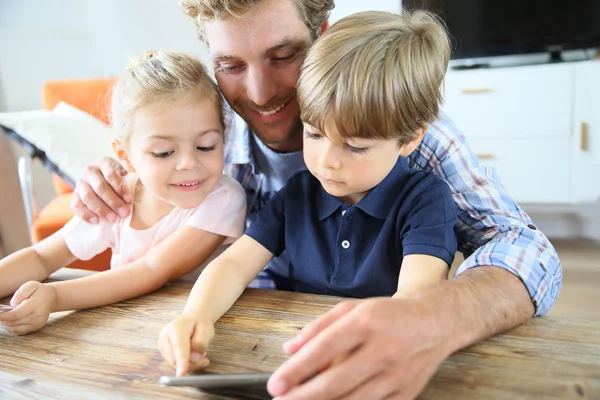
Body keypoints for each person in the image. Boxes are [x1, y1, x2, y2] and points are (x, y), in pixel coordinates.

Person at [70, 1, 563, 399]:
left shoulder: (401, 127)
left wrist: (427, 318)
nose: (260, 93)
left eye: (282, 56)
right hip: (255, 345)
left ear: (321, 34)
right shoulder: (203, 136)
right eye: (231, 66)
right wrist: (125, 177)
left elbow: (527, 250)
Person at [157, 8, 459, 377]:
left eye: (355, 146)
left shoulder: (426, 201)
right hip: (292, 347)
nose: (326, 162)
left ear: (410, 139)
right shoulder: (299, 192)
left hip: (378, 357)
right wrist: (195, 315)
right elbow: (235, 265)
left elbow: (413, 299)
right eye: (313, 134)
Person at [0, 50, 246, 335]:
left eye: (206, 146)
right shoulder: (114, 198)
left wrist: (54, 297)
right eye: (164, 152)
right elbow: (43, 257)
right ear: (125, 156)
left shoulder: (224, 198)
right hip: (130, 327)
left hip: (211, 331)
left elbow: (152, 271)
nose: (189, 163)